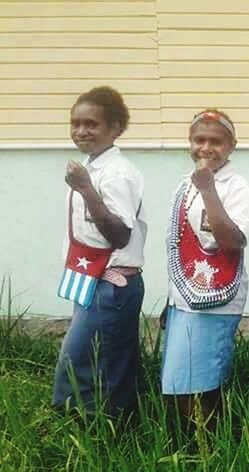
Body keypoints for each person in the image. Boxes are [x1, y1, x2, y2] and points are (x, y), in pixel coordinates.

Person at [53, 86, 147, 417]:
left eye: (91, 124)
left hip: (112, 283)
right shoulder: (92, 167)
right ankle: (116, 428)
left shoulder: (116, 173)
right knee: (110, 360)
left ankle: (86, 429)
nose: (81, 131)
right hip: (91, 277)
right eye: (75, 123)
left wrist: (85, 189)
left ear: (116, 128)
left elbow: (120, 234)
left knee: (80, 360)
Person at [161, 109, 249, 430]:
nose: (206, 148)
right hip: (183, 299)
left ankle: (210, 454)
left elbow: (233, 241)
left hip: (215, 302)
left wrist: (208, 190)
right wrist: (169, 301)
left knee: (201, 387)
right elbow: (180, 245)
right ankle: (191, 452)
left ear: (231, 146)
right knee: (179, 385)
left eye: (215, 141)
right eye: (199, 139)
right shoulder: (183, 185)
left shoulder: (237, 187)